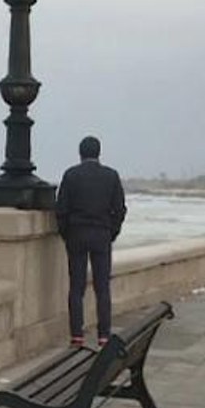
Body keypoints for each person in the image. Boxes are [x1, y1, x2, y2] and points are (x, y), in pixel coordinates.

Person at [55, 136, 127, 348]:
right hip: (101, 235)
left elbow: (61, 210)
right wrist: (111, 232)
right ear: (98, 153)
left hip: (77, 233)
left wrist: (66, 234)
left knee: (76, 288)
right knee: (102, 287)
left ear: (81, 153)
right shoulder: (111, 176)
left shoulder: (71, 175)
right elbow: (120, 210)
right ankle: (104, 335)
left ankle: (77, 335)